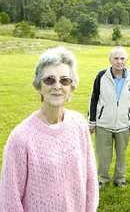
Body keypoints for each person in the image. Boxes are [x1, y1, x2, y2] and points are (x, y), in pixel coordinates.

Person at [0, 47, 99, 211]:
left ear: (71, 87)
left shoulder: (79, 124)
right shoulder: (20, 138)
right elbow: (9, 199)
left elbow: (90, 179)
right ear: (39, 85)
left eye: (64, 80)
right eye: (49, 80)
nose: (57, 86)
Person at [88, 46, 130, 188]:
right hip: (104, 123)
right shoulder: (101, 76)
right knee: (104, 155)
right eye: (116, 58)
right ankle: (102, 179)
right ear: (110, 60)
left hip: (124, 124)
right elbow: (94, 98)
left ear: (126, 60)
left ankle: (120, 179)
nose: (119, 61)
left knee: (121, 154)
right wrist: (92, 121)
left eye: (122, 58)